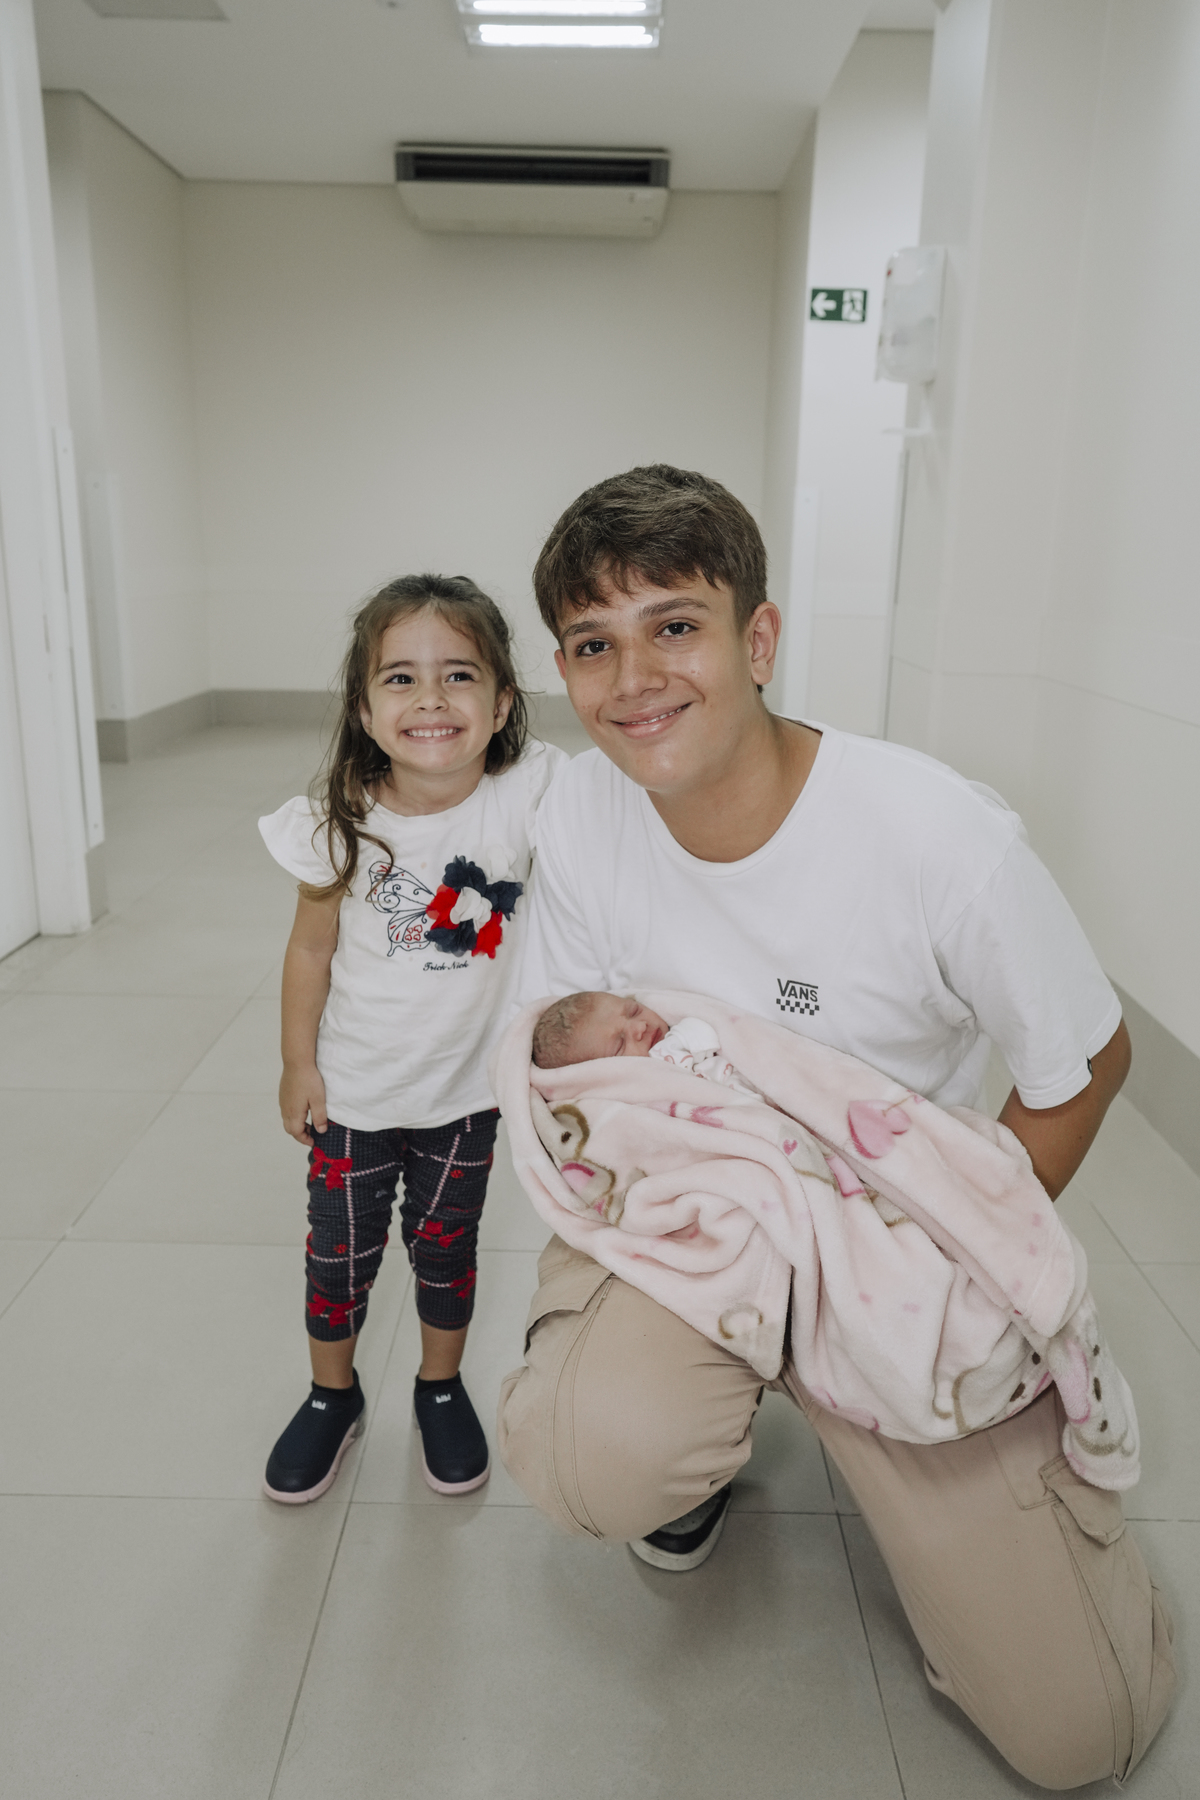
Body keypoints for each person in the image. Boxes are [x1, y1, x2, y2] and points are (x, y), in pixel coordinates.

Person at [499, 465, 1175, 1789]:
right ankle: (706, 1431)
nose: (633, 678)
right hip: (697, 1212)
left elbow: (1089, 1059)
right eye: (591, 643)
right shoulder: (580, 814)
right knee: (593, 1458)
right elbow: (579, 1078)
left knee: (1080, 1734)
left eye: (675, 625)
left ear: (758, 639)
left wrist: (943, 1254)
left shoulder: (934, 834)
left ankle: (903, 1454)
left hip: (881, 1241)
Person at [258, 574, 564, 1504]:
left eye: (459, 674)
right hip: (354, 1096)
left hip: (466, 1098)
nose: (431, 698)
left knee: (446, 1249)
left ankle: (439, 1385)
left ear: (502, 703)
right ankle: (332, 1395)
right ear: (364, 708)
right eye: (400, 678)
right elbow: (310, 950)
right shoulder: (341, 824)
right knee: (338, 1258)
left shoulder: (530, 793)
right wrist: (298, 1063)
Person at [532, 990, 755, 1092]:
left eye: (634, 1011)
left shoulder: (683, 1032)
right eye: (619, 1044)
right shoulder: (630, 1094)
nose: (640, 1027)